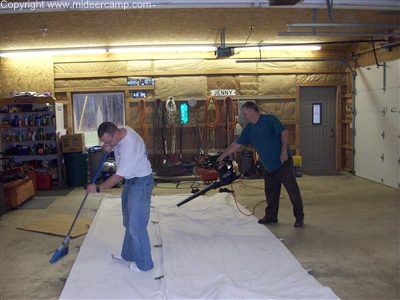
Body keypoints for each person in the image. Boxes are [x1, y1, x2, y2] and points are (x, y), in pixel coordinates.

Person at [217, 102, 304, 227]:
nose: (244, 116)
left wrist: (284, 151)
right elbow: (237, 144)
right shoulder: (249, 129)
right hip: (268, 165)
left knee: (292, 190)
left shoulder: (269, 120)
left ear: (253, 111)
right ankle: (271, 216)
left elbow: (284, 132)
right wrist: (223, 155)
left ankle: (299, 217)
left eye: (245, 113)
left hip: (282, 162)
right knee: (270, 192)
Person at [87, 121, 155, 271]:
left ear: (116, 134)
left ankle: (145, 264)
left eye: (108, 141)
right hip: (132, 179)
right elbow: (111, 145)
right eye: (104, 142)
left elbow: (118, 177)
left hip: (141, 182)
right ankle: (128, 254)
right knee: (128, 221)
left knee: (136, 225)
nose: (107, 144)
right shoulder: (121, 131)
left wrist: (98, 188)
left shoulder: (128, 146)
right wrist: (109, 147)